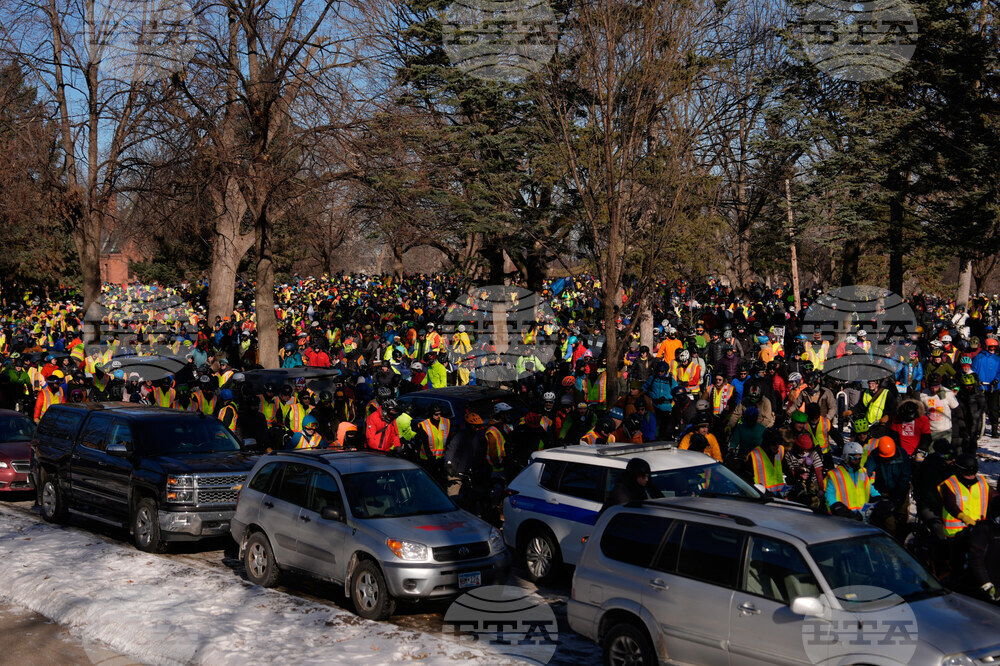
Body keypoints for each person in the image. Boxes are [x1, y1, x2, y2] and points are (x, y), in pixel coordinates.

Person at [939, 454, 997, 580]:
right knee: (958, 565)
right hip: (956, 532)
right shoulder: (950, 484)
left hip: (977, 530)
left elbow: (994, 497)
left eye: (973, 472)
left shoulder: (982, 482)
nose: (971, 476)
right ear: (959, 471)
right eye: (968, 473)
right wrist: (964, 518)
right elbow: (950, 505)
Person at [865, 434, 911, 541]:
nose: (887, 460)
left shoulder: (902, 455)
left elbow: (905, 477)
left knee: (901, 518)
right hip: (883, 491)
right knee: (888, 521)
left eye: (889, 458)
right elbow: (866, 472)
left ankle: (901, 542)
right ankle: (891, 542)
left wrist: (899, 497)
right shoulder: (875, 454)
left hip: (900, 490)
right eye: (885, 458)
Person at [825, 441, 880, 519]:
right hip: (844, 518)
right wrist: (840, 509)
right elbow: (829, 496)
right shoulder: (835, 474)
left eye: (859, 457)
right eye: (854, 458)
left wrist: (879, 499)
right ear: (846, 457)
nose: (857, 460)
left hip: (862, 516)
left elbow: (871, 489)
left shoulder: (862, 472)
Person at [783, 433, 826, 509]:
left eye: (806, 450)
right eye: (802, 450)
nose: (804, 452)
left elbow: (818, 471)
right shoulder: (789, 455)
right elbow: (791, 471)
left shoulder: (813, 454)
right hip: (797, 481)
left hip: (812, 482)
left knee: (814, 501)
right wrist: (798, 473)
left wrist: (821, 489)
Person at [746, 427, 786, 494]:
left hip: (779, 494)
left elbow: (786, 470)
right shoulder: (754, 455)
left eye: (779, 442)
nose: (777, 445)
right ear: (767, 442)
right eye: (774, 443)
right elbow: (748, 479)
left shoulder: (780, 450)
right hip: (762, 495)